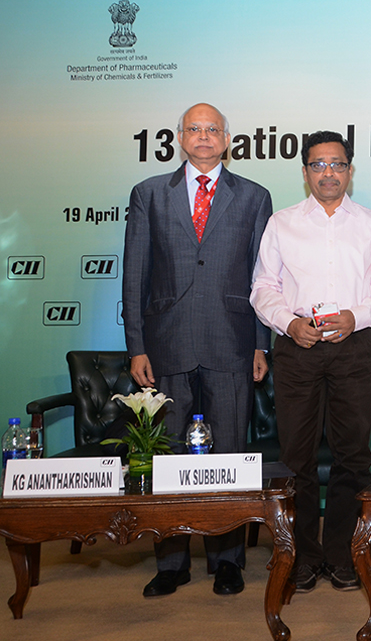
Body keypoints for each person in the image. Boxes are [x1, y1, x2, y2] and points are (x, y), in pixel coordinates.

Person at [122, 102, 272, 597]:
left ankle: (227, 561)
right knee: (166, 455)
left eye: (213, 130)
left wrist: (261, 343)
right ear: (180, 138)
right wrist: (136, 346)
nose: (204, 137)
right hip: (166, 342)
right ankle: (171, 563)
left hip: (232, 341)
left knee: (228, 453)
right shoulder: (148, 194)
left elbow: (263, 278)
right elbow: (135, 275)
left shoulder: (254, 196)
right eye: (194, 129)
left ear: (227, 140)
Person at [250, 131, 371, 593]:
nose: (328, 173)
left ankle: (341, 554)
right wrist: (288, 323)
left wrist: (357, 317)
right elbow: (263, 288)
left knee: (352, 457)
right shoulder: (282, 223)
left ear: (350, 170)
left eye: (337, 164)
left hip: (354, 347)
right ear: (305, 172)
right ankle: (300, 557)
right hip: (297, 348)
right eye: (318, 164)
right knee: (295, 458)